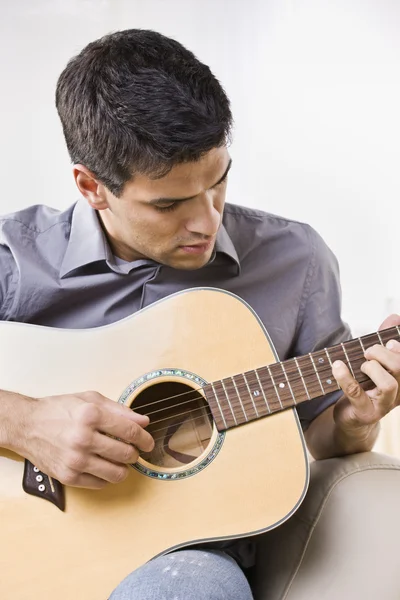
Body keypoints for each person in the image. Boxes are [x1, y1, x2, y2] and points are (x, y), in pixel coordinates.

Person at [0, 29, 399, 600]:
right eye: (168, 205)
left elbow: (323, 438)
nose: (207, 222)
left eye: (218, 183)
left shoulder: (295, 261)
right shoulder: (15, 260)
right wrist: (23, 421)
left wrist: (357, 420)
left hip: (183, 559)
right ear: (92, 187)